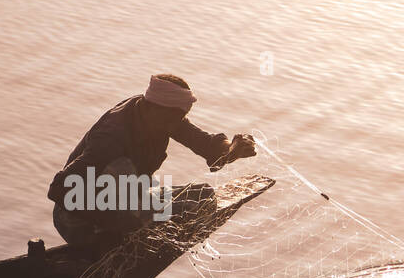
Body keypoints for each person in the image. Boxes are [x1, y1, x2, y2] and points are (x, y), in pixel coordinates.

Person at [48, 74, 256, 252]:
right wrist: (115, 223)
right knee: (127, 171)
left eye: (180, 118)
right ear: (149, 108)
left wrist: (233, 148)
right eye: (172, 119)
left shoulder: (163, 117)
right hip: (79, 219)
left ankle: (136, 218)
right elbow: (59, 190)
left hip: (127, 198)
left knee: (204, 195)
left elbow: (208, 146)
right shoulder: (112, 136)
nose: (175, 125)